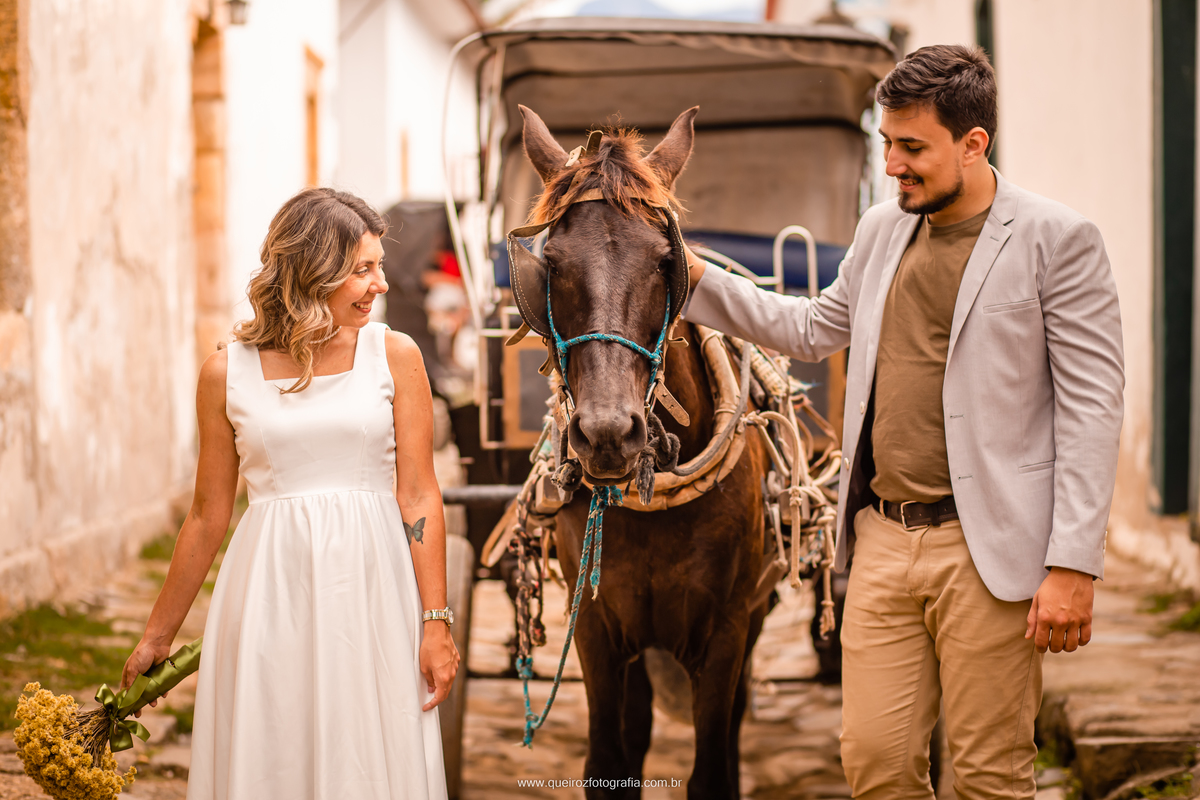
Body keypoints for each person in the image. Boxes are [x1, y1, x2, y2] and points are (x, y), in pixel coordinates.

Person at [683, 45, 1123, 799]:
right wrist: (688, 275)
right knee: (876, 766)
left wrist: (1073, 562)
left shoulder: (1060, 239)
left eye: (912, 147)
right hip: (882, 540)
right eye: (886, 143)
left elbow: (1093, 406)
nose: (893, 165)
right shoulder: (883, 229)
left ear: (973, 143)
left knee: (990, 777)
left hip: (990, 552)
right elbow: (813, 326)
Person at [121, 188, 460, 799]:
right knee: (272, 751)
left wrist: (435, 622)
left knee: (369, 754)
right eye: (363, 269)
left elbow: (418, 495)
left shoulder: (395, 355)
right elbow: (206, 515)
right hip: (269, 593)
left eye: (379, 266)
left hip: (373, 591)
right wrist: (158, 635)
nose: (380, 284)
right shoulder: (227, 373)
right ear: (311, 272)